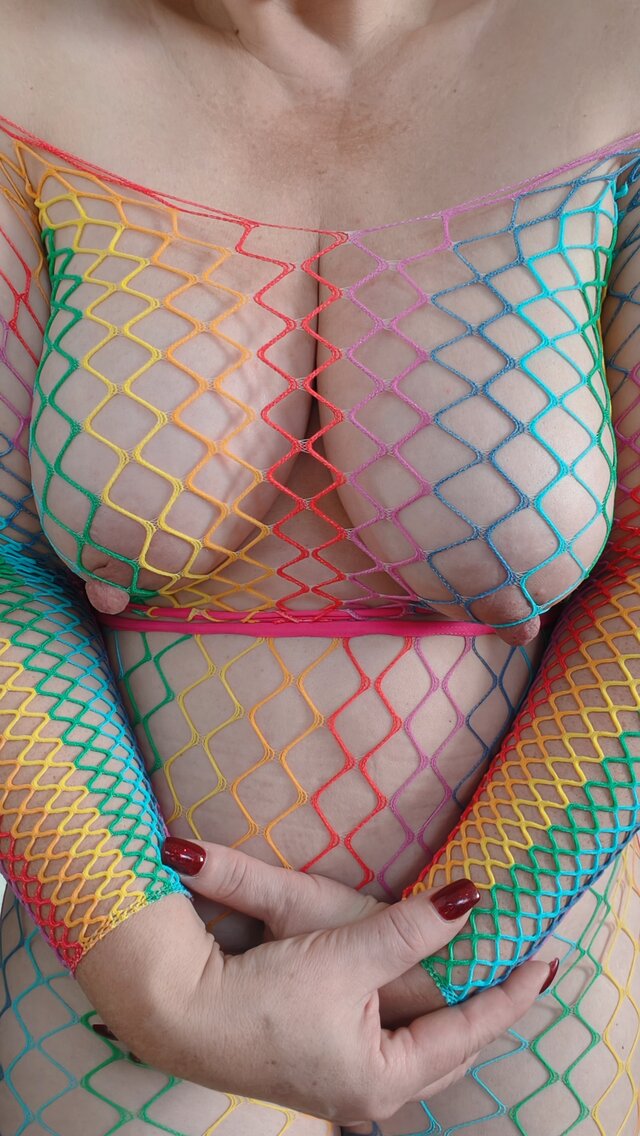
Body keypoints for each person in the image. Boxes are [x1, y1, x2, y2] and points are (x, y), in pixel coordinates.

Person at [0, 1, 639, 1133]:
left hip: (516, 996)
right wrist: (169, 989)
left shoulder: (615, 56)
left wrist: (462, 948)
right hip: (126, 994)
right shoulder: (24, 61)